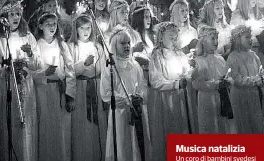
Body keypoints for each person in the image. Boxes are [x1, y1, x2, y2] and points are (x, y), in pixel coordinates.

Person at [0, 0, 41, 161]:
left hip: (25, 86)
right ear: (4, 17)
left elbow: (37, 64)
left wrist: (30, 54)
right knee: (6, 122)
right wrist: (6, 70)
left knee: (24, 123)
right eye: (11, 14)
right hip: (5, 86)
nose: (16, 17)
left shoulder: (28, 36)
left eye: (18, 14)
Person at [100, 26, 150, 161]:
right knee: (123, 143)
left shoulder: (134, 65)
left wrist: (140, 96)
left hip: (137, 110)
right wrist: (126, 100)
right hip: (120, 112)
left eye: (128, 43)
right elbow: (106, 92)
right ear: (114, 45)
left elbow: (142, 85)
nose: (127, 46)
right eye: (123, 43)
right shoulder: (110, 66)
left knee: (138, 144)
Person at [148, 22, 194, 160]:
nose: (174, 41)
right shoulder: (157, 55)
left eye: (176, 38)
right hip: (166, 99)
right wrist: (174, 84)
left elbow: (185, 72)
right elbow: (156, 80)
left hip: (181, 96)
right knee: (169, 129)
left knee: (183, 126)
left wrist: (190, 71)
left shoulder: (179, 54)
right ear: (161, 38)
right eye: (171, 38)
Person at [34, 12, 75, 161]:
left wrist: (70, 95)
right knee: (46, 127)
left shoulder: (61, 44)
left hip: (60, 90)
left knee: (61, 128)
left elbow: (70, 69)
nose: (52, 27)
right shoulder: (37, 45)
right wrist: (44, 72)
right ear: (40, 26)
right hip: (43, 90)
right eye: (48, 24)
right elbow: (34, 66)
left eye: (54, 24)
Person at [68, 14, 107, 161]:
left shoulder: (97, 47)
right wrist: (83, 64)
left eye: (89, 27)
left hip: (96, 87)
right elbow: (70, 71)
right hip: (80, 88)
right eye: (82, 28)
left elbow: (103, 69)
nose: (86, 31)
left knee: (98, 126)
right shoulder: (72, 47)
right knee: (82, 125)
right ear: (76, 29)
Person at [192, 26, 235, 133]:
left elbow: (228, 75)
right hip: (207, 99)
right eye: (212, 38)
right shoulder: (198, 60)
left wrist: (228, 81)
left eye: (217, 38)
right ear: (203, 40)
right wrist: (216, 84)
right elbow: (197, 83)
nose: (216, 41)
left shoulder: (220, 58)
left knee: (223, 126)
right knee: (210, 126)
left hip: (222, 97)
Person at [227, 25, 264, 133]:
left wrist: (262, 80)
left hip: (255, 94)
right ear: (238, 39)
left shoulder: (253, 55)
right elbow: (236, 78)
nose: (250, 40)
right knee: (245, 124)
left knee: (259, 123)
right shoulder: (233, 57)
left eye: (250, 37)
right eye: (247, 37)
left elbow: (261, 72)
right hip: (241, 97)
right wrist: (254, 81)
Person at [130, 1, 157, 80]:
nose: (149, 20)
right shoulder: (133, 35)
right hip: (138, 74)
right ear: (139, 18)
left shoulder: (150, 35)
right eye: (146, 17)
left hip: (151, 73)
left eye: (149, 17)